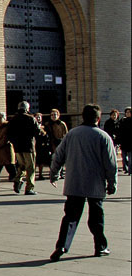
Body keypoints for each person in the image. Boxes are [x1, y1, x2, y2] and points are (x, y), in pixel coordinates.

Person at [48, 104, 117, 262]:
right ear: (98, 119)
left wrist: (54, 174)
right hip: (95, 184)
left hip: (74, 183)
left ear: (83, 117)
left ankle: (62, 246)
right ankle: (100, 246)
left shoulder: (72, 134)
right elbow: (111, 164)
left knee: (70, 217)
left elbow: (58, 155)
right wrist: (112, 183)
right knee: (96, 217)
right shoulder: (103, 136)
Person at [7, 101, 41, 195]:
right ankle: (29, 188)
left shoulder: (13, 119)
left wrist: (14, 142)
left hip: (18, 147)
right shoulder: (30, 118)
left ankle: (17, 180)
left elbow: (9, 133)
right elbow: (37, 131)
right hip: (28, 146)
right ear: (27, 108)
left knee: (21, 166)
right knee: (30, 167)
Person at [43, 108, 69, 179]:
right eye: (52, 115)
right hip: (52, 143)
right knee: (54, 158)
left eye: (55, 115)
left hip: (60, 141)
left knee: (62, 157)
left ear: (58, 115)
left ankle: (61, 172)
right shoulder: (48, 124)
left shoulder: (62, 124)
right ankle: (54, 172)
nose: (54, 116)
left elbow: (66, 133)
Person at [34, 113, 52, 180]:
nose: (38, 118)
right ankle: (33, 174)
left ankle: (40, 174)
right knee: (35, 161)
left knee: (41, 161)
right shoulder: (33, 125)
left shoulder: (44, 125)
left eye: (39, 117)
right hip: (35, 144)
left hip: (42, 145)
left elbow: (47, 134)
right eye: (37, 117)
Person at [120, 107, 132, 174]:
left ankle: (130, 170)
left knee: (130, 158)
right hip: (124, 141)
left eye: (129, 112)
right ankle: (126, 169)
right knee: (124, 157)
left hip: (130, 142)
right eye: (126, 112)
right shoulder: (123, 120)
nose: (127, 114)